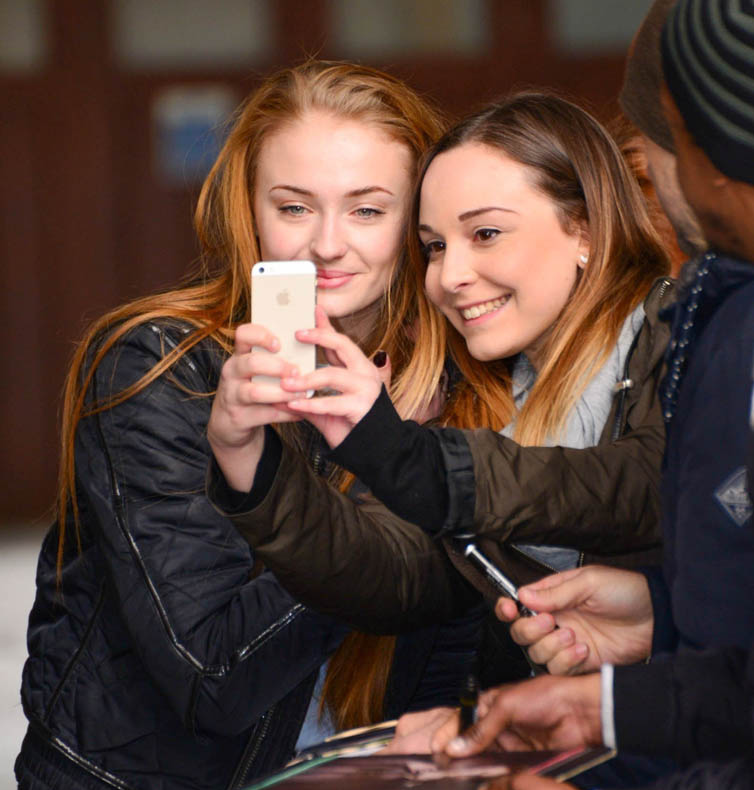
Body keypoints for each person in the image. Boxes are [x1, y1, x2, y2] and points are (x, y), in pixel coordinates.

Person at [0, 60, 481, 790]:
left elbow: (442, 638)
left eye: (368, 210)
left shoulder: (450, 392)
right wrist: (377, 475)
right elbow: (210, 675)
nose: (327, 245)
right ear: (246, 212)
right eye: (294, 206)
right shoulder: (155, 369)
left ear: (415, 224)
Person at [431, 0, 754, 790]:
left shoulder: (701, 325)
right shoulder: (723, 310)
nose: (646, 169)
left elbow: (622, 486)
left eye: (652, 143)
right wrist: (608, 691)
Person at [207, 91, 671, 661]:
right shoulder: (498, 387)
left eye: (486, 234)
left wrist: (399, 452)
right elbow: (396, 581)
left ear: (585, 231)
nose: (449, 276)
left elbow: (644, 484)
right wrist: (248, 459)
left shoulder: (681, 332)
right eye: (434, 246)